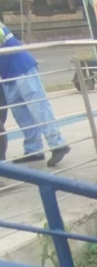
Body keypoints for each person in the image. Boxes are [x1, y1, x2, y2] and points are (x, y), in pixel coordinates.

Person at [0, 20, 69, 166]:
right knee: (21, 115)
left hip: (22, 68)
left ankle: (58, 144)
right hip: (7, 75)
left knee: (39, 108)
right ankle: (33, 150)